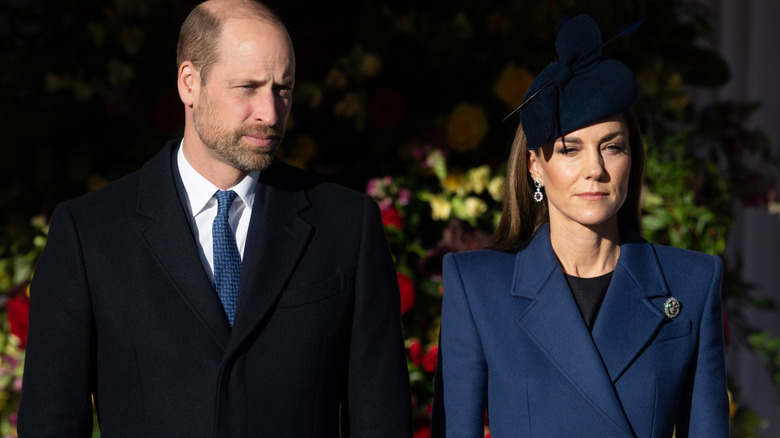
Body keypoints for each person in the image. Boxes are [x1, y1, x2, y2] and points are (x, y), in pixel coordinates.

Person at [18, 0, 412, 436]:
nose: (269, 112)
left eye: (283, 88)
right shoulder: (90, 233)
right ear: (190, 83)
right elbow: (50, 423)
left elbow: (381, 418)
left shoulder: (346, 225)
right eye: (247, 87)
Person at [432, 14, 729, 438]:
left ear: (632, 159)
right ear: (535, 166)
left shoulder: (691, 283)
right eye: (571, 149)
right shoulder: (478, 287)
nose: (595, 169)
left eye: (612, 146)